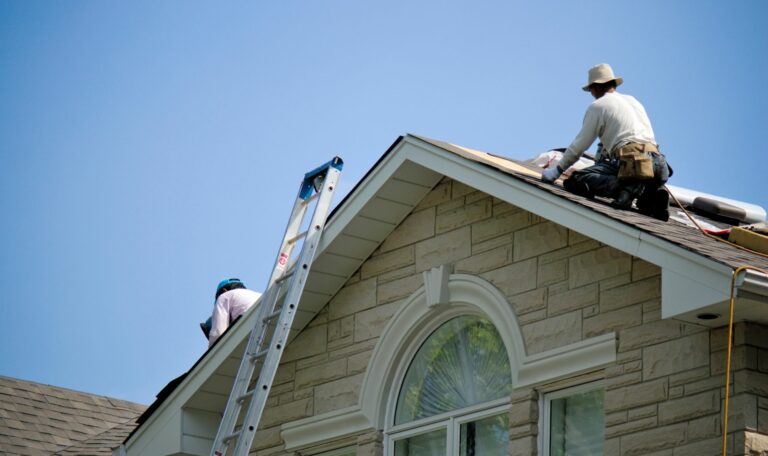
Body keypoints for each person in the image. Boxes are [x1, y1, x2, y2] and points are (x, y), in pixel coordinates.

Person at [541, 63, 672, 221]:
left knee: (577, 180)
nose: (591, 94)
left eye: (590, 90)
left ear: (595, 87)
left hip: (632, 164)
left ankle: (627, 190)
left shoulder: (599, 106)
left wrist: (557, 170)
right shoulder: (633, 101)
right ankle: (651, 195)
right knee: (644, 202)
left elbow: (579, 146)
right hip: (658, 165)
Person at [204, 278, 262, 348]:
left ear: (224, 290)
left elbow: (217, 333)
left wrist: (211, 353)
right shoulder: (257, 294)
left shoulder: (224, 296)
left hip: (250, 328)